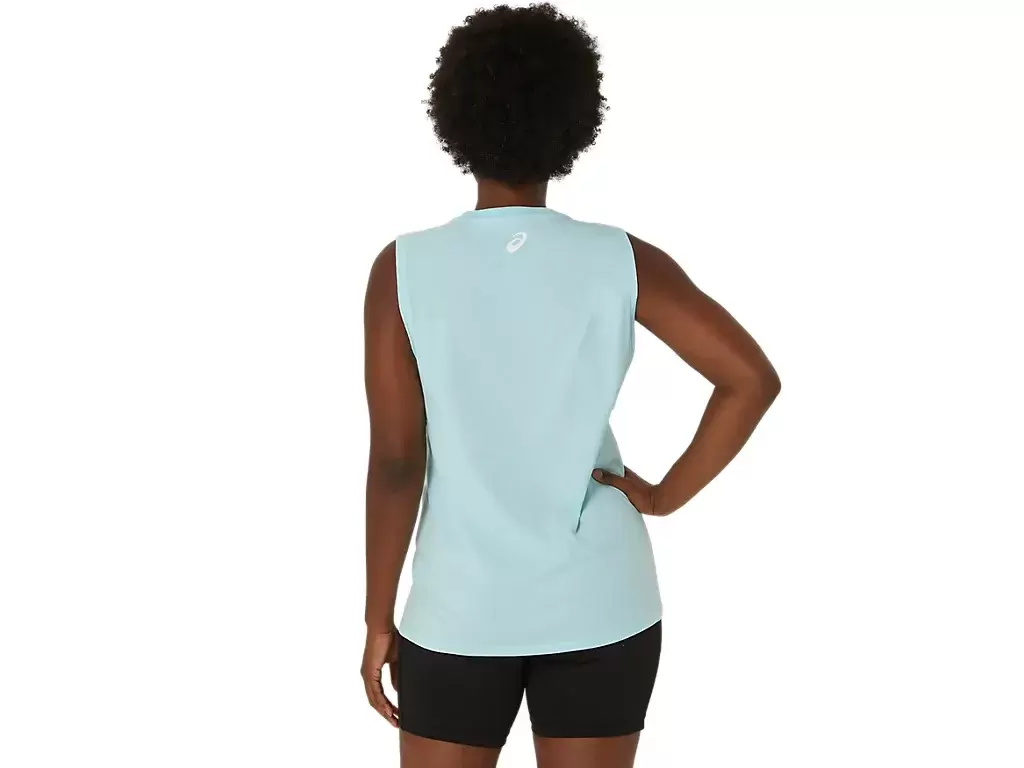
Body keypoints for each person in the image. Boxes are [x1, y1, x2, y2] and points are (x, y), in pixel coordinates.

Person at [361, 4, 780, 767]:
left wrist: (378, 618)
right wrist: (664, 496)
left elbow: (396, 461)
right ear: (572, 123)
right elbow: (749, 379)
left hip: (459, 608)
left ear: (453, 119)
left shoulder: (404, 269)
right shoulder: (622, 260)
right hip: (602, 600)